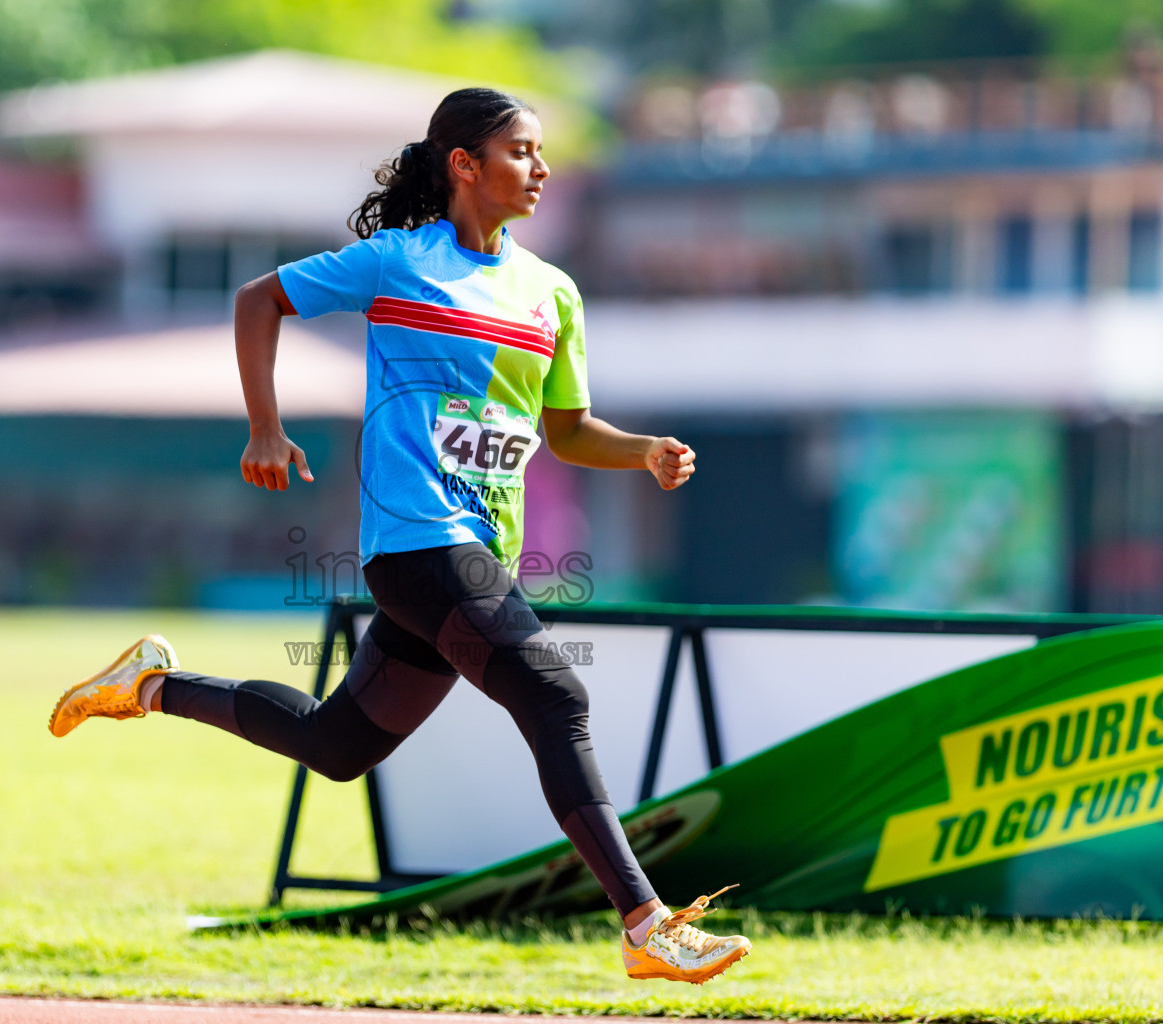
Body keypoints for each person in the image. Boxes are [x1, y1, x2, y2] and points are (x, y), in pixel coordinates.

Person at [48, 87, 751, 985]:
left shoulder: (552, 292)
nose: (541, 169)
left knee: (338, 747)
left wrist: (644, 450)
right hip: (418, 545)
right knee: (556, 698)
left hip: (480, 557)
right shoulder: (397, 261)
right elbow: (258, 300)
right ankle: (647, 922)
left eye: (542, 153)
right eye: (522, 152)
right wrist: (265, 427)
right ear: (464, 166)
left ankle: (148, 686)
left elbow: (568, 429)